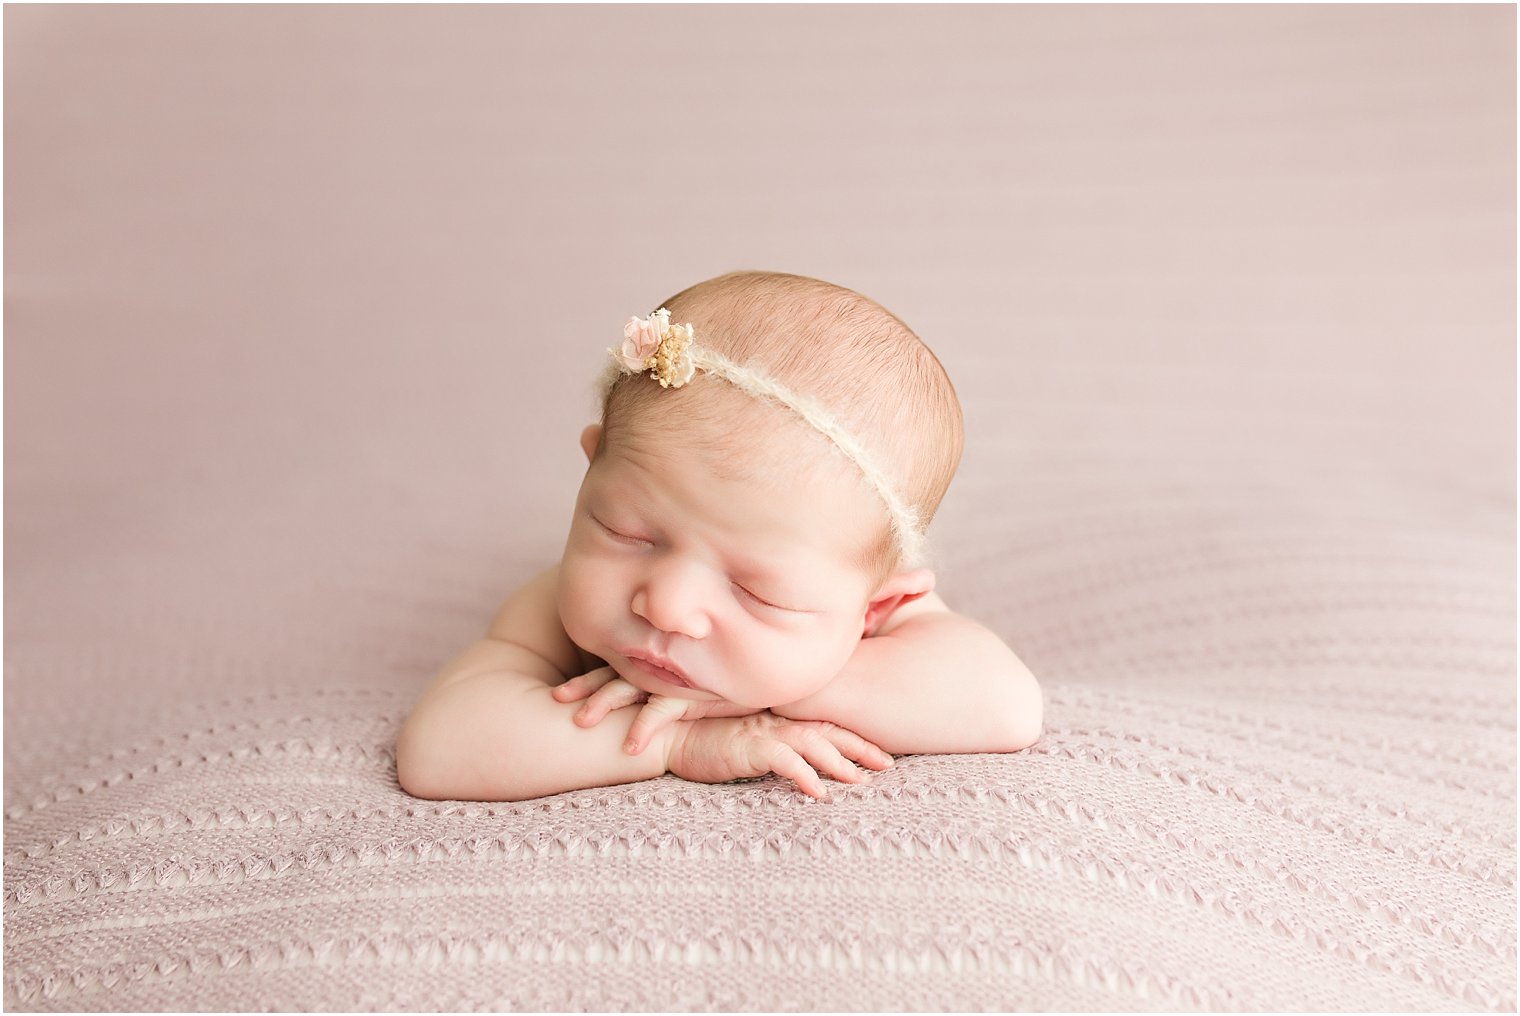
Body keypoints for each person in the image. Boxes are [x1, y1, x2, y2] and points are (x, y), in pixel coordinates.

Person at [395, 270, 1041, 802]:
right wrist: (677, 743)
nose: (667, 605)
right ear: (591, 471)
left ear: (875, 607)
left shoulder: (872, 617)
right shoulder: (553, 608)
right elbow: (440, 749)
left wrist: (774, 688)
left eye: (757, 592)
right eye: (627, 532)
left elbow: (1005, 706)